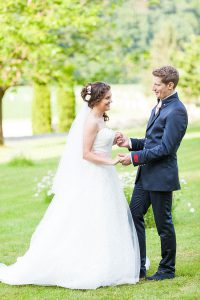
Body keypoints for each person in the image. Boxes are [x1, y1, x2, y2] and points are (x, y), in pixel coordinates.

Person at [0, 82, 140, 289]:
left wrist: (112, 140)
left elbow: (97, 145)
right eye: (107, 98)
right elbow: (86, 153)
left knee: (105, 216)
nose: (111, 101)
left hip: (105, 176)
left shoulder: (101, 117)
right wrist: (111, 161)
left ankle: (107, 262)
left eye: (111, 97)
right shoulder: (91, 121)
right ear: (96, 100)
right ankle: (82, 264)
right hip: (94, 176)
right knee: (89, 217)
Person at [117, 66, 188, 281]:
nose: (153, 87)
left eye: (157, 84)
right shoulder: (158, 106)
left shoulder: (176, 110)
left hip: (161, 177)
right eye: (153, 83)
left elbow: (166, 148)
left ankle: (167, 269)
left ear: (170, 85)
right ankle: (138, 266)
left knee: (163, 224)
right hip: (146, 176)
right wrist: (131, 143)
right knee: (134, 216)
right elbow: (152, 142)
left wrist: (134, 158)